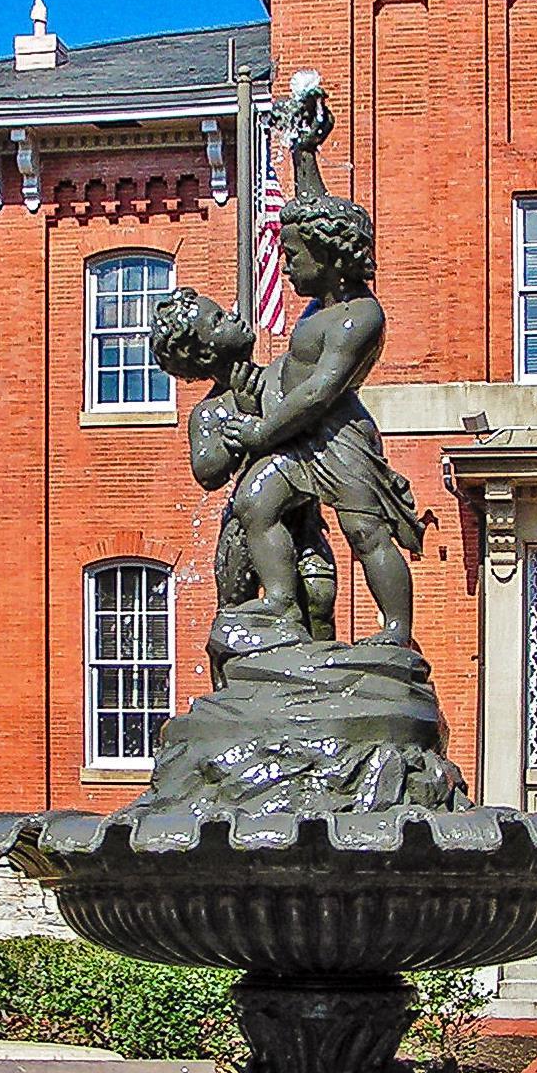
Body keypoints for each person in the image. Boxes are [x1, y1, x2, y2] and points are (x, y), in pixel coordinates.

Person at [219, 77, 422, 646]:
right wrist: (304, 151)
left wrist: (261, 430)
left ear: (330, 259)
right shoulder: (321, 300)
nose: (284, 266)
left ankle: (396, 633)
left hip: (338, 441)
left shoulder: (361, 318)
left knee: (366, 535)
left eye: (292, 256)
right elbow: (313, 214)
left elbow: (318, 393)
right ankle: (282, 604)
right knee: (254, 504)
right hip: (298, 440)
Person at [149, 287, 336, 654]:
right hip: (246, 528)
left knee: (318, 596)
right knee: (235, 614)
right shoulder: (210, 411)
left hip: (301, 517)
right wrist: (245, 425)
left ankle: (318, 681)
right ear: (204, 351)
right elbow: (207, 472)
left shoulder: (283, 377)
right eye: (218, 319)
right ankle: (233, 691)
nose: (234, 315)